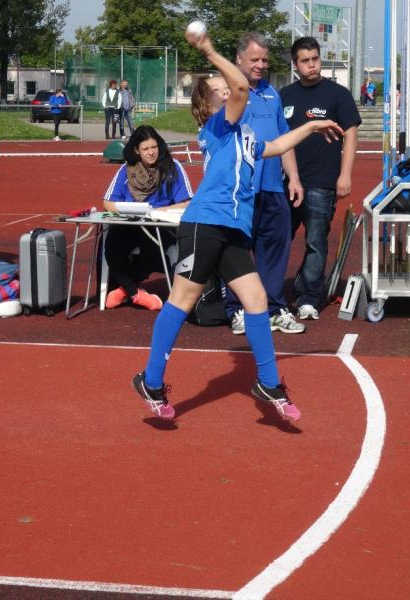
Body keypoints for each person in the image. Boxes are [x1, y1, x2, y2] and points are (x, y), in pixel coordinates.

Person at [131, 29, 342, 422]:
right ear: (209, 105)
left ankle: (268, 382)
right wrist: (209, 50)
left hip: (230, 231)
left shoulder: (244, 136)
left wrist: (312, 127)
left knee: (257, 299)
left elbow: (277, 146)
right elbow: (241, 87)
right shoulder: (217, 127)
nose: (227, 89)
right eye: (219, 89)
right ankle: (151, 380)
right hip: (205, 224)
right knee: (182, 301)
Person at [224, 32, 306, 336]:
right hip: (240, 190)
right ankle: (237, 309)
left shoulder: (273, 94)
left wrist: (293, 177)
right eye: (254, 59)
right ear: (239, 59)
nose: (261, 65)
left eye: (265, 60)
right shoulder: (231, 93)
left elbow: (284, 139)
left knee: (274, 249)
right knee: (236, 251)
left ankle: (273, 307)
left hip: (272, 187)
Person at [280, 37, 361, 321]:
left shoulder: (338, 94)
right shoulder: (285, 96)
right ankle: (272, 293)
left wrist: (345, 175)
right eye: (305, 60)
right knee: (278, 239)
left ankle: (308, 298)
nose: (312, 65)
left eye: (315, 59)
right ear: (295, 65)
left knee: (316, 241)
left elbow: (351, 135)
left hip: (322, 182)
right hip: (287, 182)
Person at [102, 125, 193, 311]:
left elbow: (188, 202)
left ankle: (124, 291)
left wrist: (161, 210)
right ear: (137, 150)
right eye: (145, 149)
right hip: (131, 225)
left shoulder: (173, 167)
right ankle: (135, 294)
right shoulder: (126, 170)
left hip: (160, 226)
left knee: (153, 247)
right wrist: (126, 210)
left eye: (154, 147)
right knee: (111, 245)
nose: (151, 152)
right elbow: (108, 202)